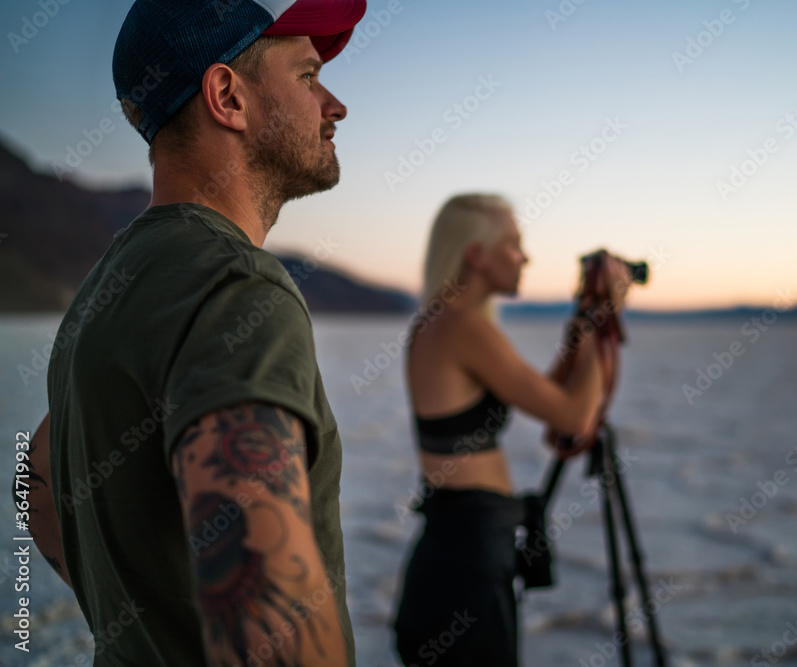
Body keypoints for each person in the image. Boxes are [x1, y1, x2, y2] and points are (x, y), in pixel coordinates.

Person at [16, 0, 367, 664]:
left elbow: (27, 474)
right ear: (227, 96)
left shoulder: (107, 288)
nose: (335, 104)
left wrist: (125, 614)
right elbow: (265, 608)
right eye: (308, 76)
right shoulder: (234, 287)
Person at [392, 194, 632, 666]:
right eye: (514, 245)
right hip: (470, 553)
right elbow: (573, 417)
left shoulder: (440, 322)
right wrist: (604, 317)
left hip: (457, 542)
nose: (526, 257)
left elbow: (545, 394)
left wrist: (586, 323)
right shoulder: (462, 327)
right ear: (477, 254)